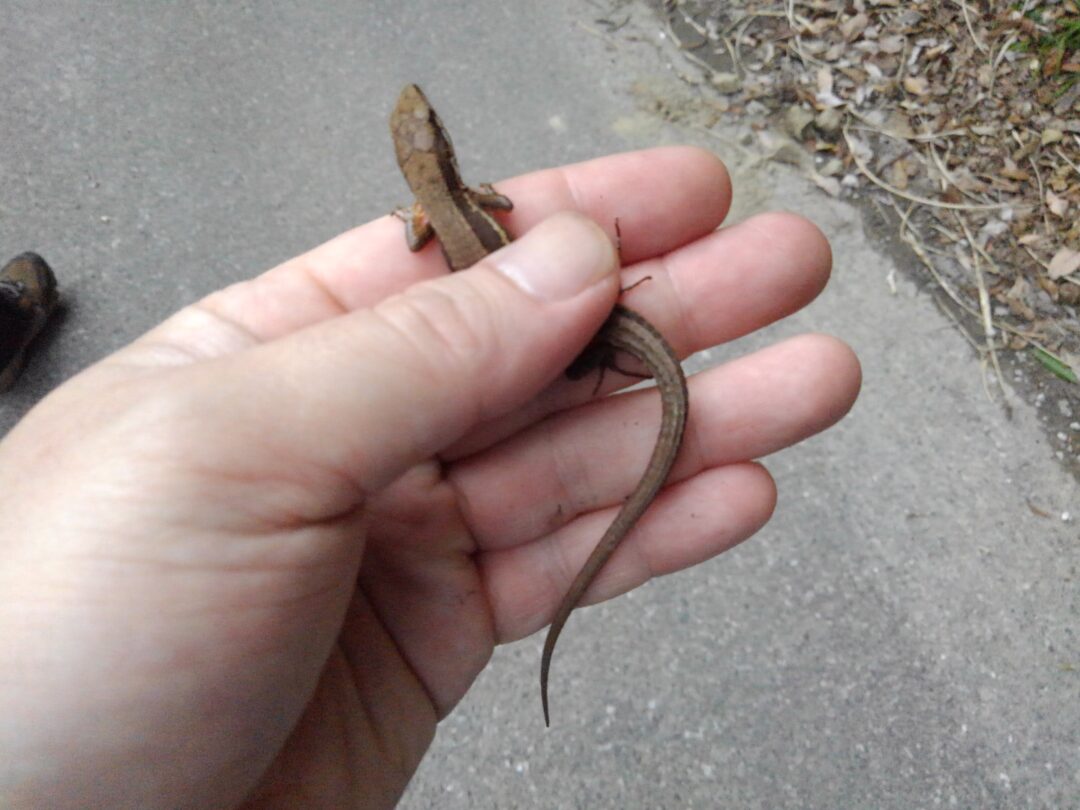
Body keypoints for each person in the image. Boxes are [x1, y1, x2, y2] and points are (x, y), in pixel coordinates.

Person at [0, 147, 859, 808]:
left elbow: (423, 234)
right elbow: (503, 204)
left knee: (625, 365)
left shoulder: (423, 217)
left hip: (598, 331)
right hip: (600, 322)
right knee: (627, 361)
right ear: (443, 159)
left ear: (423, 170)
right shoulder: (476, 199)